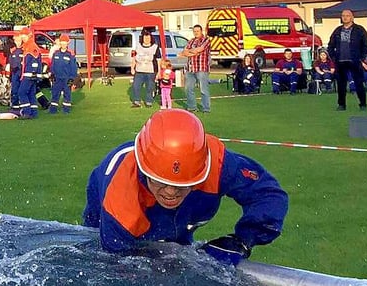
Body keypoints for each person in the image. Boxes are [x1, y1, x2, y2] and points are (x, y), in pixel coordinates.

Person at [83, 109, 288, 265]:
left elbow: (268, 195)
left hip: (182, 221)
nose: (171, 193)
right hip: (113, 211)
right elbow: (117, 276)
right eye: (160, 182)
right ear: (144, 172)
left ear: (202, 171)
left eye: (183, 185)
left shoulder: (219, 165)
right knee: (98, 257)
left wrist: (243, 240)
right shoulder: (120, 201)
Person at [328, 9, 367, 111]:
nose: (345, 17)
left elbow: (366, 46)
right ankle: (341, 104)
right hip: (340, 62)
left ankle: (363, 104)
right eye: (343, 15)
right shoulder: (337, 30)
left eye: (347, 15)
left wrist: (361, 58)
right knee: (341, 84)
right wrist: (334, 57)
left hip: (355, 61)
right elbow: (330, 46)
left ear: (352, 17)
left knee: (358, 83)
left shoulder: (359, 30)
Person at [180, 24, 211, 113]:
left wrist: (193, 51)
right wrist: (193, 52)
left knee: (203, 89)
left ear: (201, 31)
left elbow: (200, 49)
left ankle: (206, 108)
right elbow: (184, 52)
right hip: (190, 68)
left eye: (198, 31)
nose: (196, 33)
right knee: (188, 88)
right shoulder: (191, 41)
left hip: (201, 68)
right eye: (194, 31)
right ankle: (192, 107)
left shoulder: (206, 40)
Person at [48, 34, 78, 114]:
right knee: (55, 94)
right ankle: (52, 110)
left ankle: (66, 110)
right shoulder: (56, 53)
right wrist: (52, 74)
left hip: (66, 78)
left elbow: (73, 67)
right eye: (62, 42)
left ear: (68, 43)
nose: (63, 44)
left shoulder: (70, 54)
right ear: (60, 43)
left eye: (65, 43)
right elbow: (53, 65)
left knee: (67, 95)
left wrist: (72, 78)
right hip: (57, 78)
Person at [17, 29, 43, 118]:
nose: (22, 38)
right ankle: (33, 113)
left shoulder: (31, 47)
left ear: (28, 36)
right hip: (30, 75)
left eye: (24, 36)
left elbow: (35, 61)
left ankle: (27, 112)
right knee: (31, 94)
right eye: (22, 36)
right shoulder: (27, 46)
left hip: (29, 75)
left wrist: (33, 72)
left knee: (22, 92)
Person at [130, 30, 159, 107]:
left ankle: (149, 101)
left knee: (149, 87)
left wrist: (159, 72)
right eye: (145, 38)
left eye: (148, 38)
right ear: (142, 38)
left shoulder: (155, 47)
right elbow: (134, 58)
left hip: (150, 71)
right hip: (139, 70)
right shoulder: (138, 47)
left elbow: (158, 60)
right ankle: (136, 101)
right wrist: (132, 68)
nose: (146, 40)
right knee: (136, 86)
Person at [7, 33, 24, 115]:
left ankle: (23, 105)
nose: (17, 42)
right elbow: (10, 62)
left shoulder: (24, 50)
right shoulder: (13, 52)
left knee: (22, 90)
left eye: (18, 40)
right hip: (14, 73)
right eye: (16, 40)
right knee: (14, 90)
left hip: (21, 73)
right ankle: (15, 106)